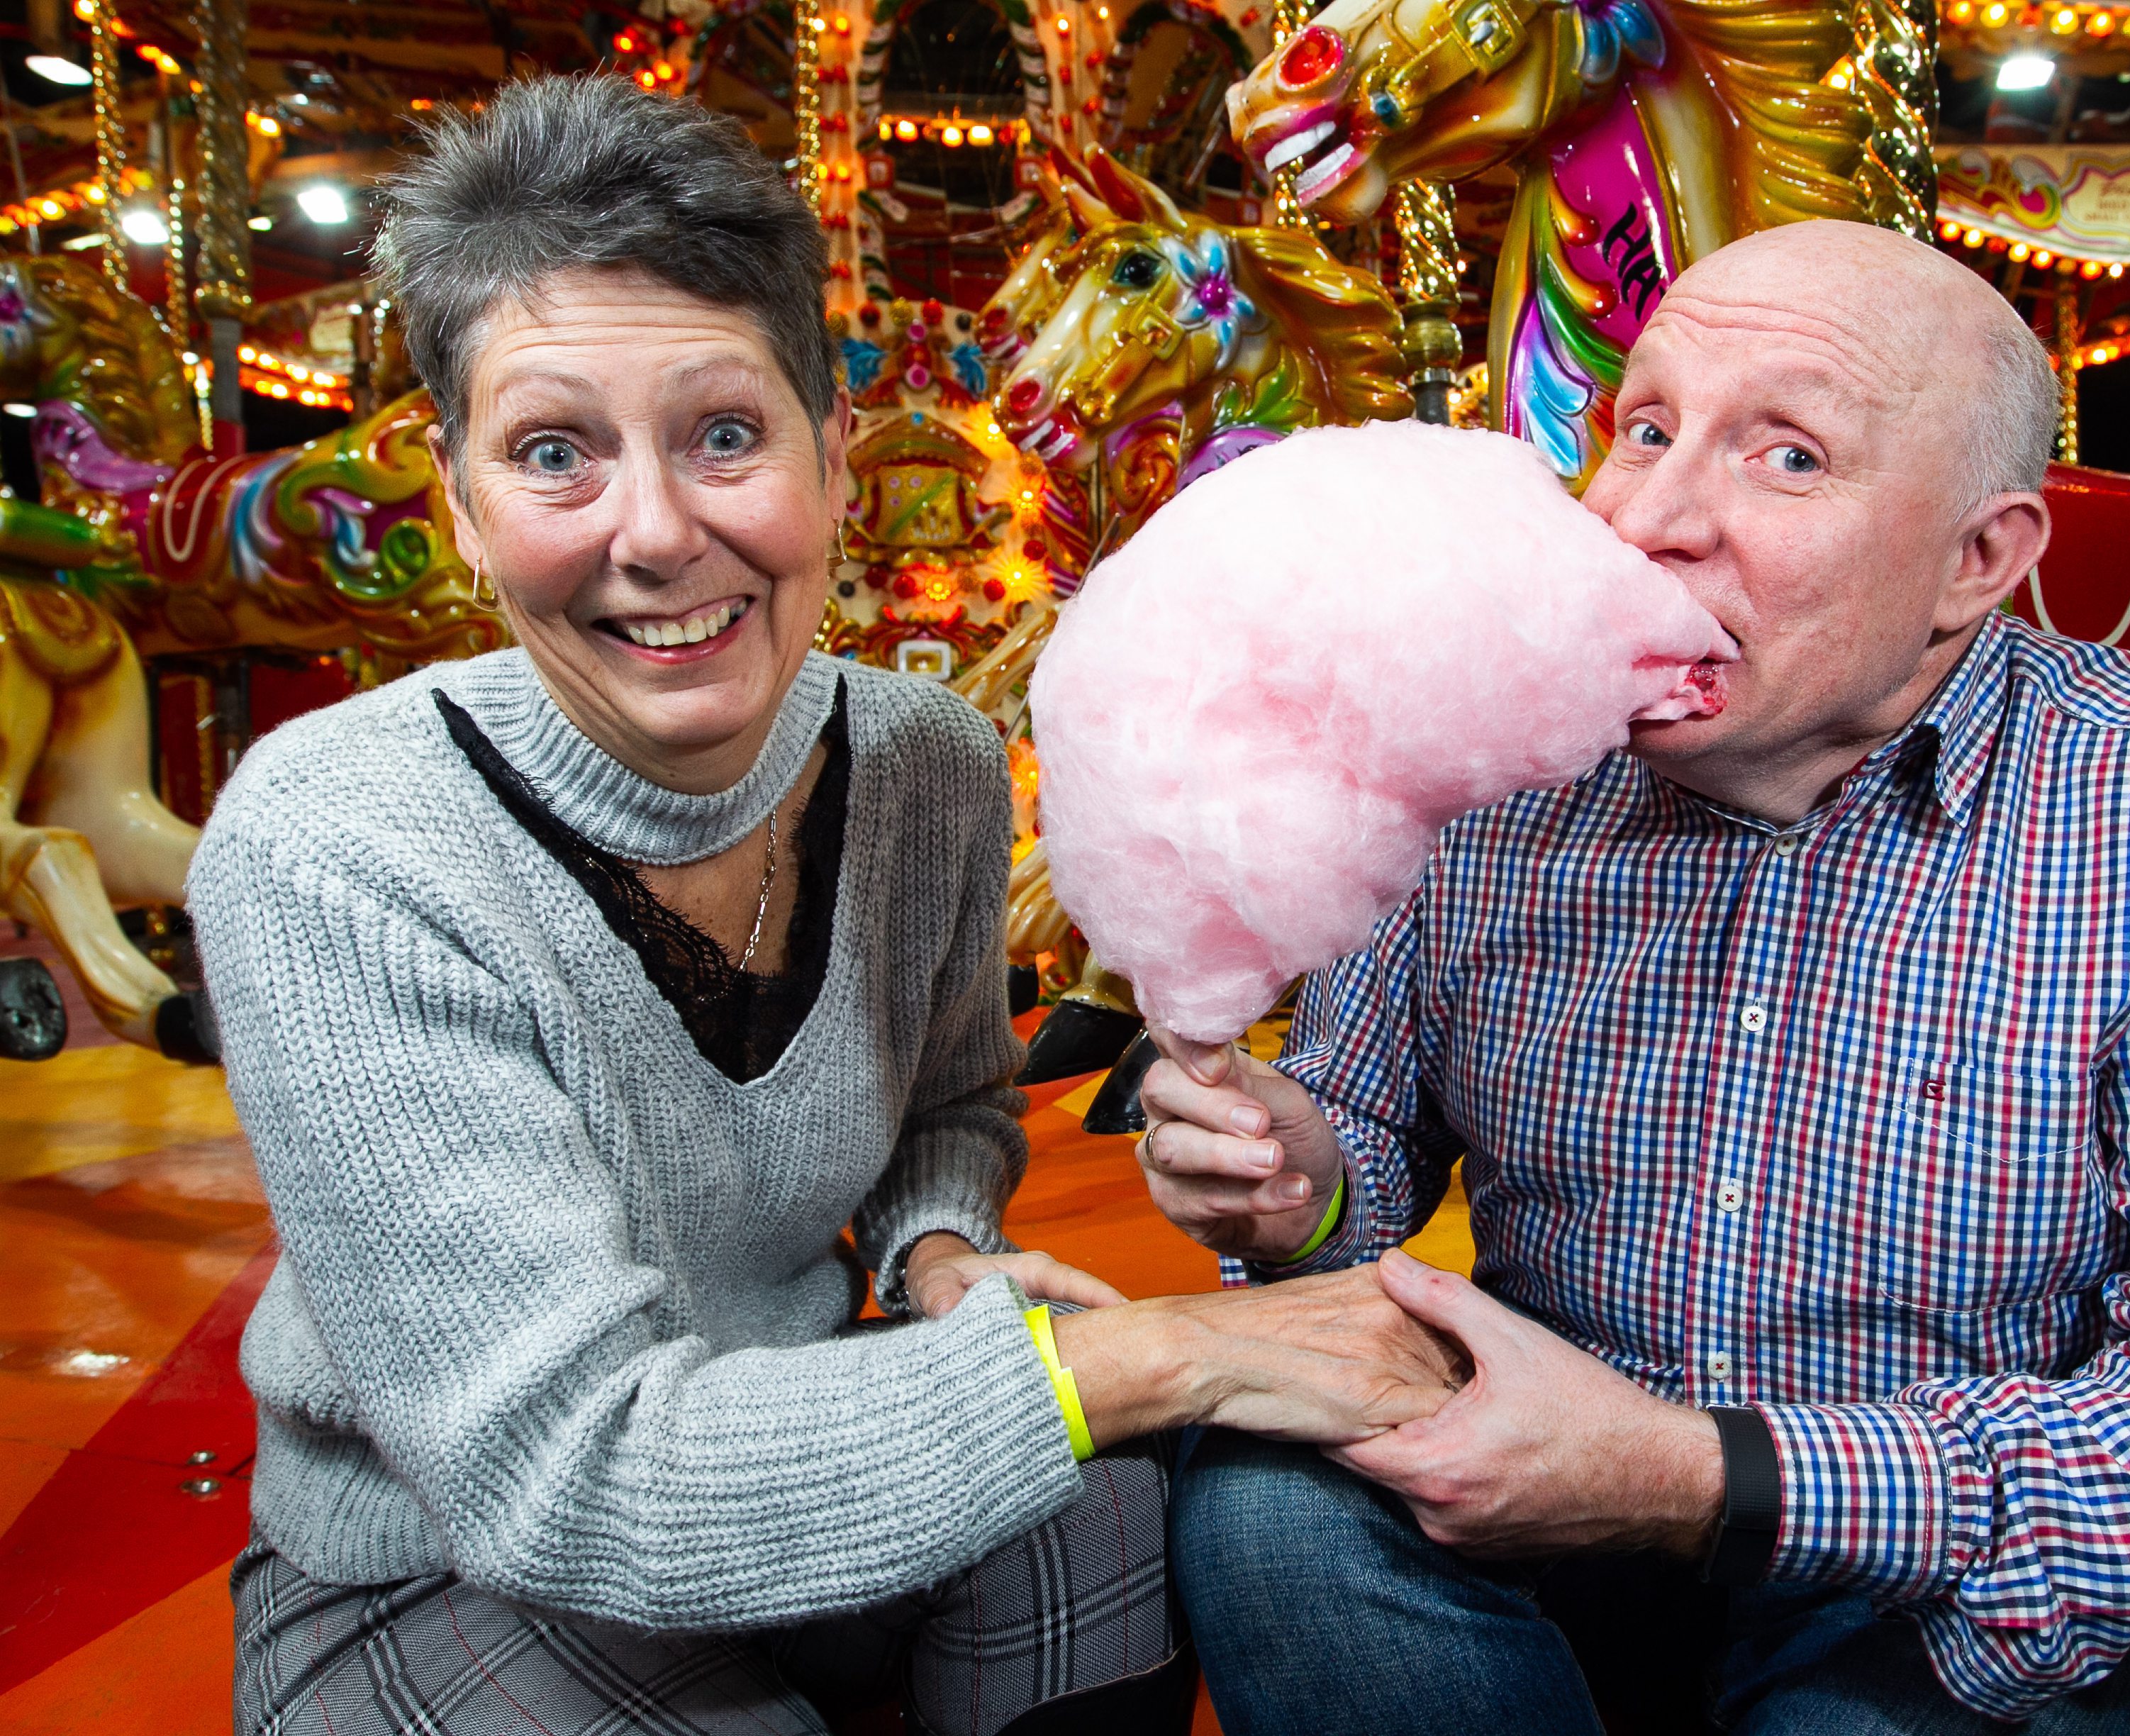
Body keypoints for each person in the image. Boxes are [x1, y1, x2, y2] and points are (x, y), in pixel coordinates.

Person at [194, 76, 1457, 1736]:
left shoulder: (925, 762)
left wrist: (940, 1250)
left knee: (1111, 1510)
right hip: (457, 1564)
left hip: (814, 1433)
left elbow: (947, 1099)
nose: (658, 533)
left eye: (726, 433)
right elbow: (574, 1483)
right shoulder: (337, 843)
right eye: (555, 453)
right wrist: (1182, 1357)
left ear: (832, 450)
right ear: (461, 500)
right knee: (1136, 1420)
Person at [1133, 219, 2130, 1733]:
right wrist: (1302, 1179)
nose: (1649, 519)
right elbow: (1356, 1138)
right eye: (1645, 428)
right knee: (1259, 1493)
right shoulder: (1487, 761)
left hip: (1938, 1587)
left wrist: (1708, 1478)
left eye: (1790, 459)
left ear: (1980, 560)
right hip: (1526, 1499)